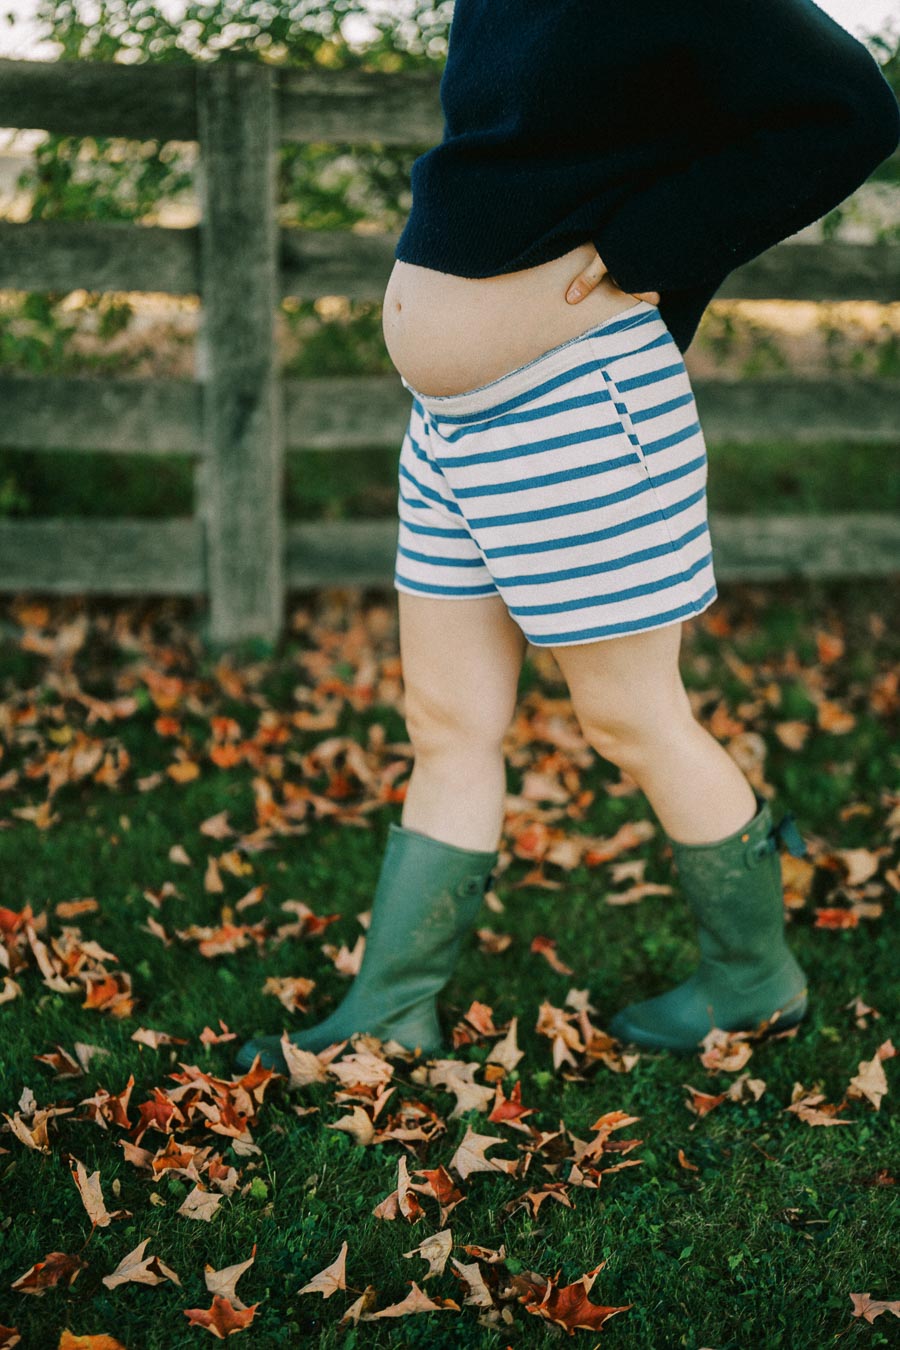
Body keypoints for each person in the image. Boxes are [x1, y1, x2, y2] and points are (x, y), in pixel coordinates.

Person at [235, 0, 900, 1071]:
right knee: (446, 718)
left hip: (579, 402)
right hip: (450, 423)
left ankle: (753, 980)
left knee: (632, 715)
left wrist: (651, 246)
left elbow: (849, 113)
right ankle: (391, 1012)